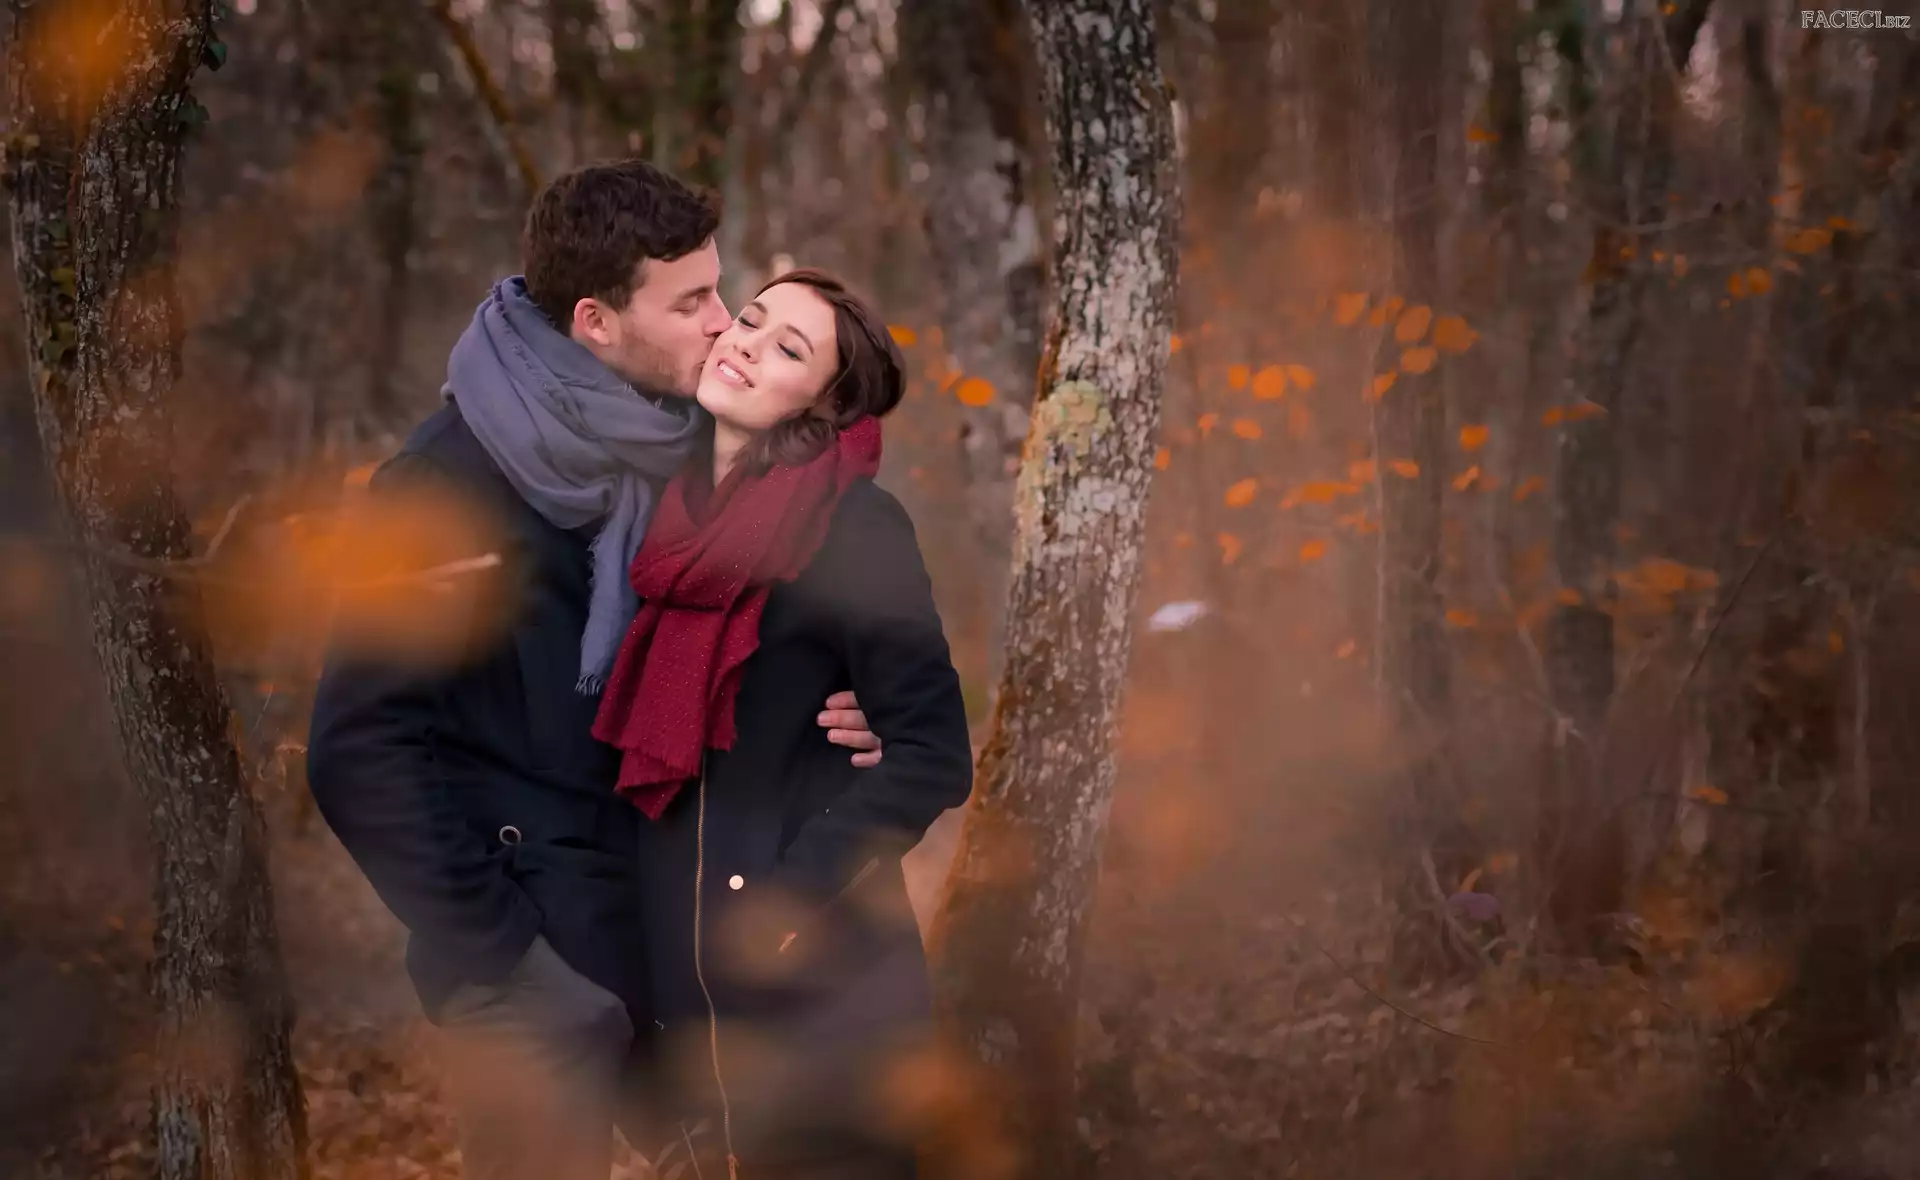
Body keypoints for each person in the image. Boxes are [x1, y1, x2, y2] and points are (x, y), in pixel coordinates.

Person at [305, 160, 887, 1180]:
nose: (722, 322)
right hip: (532, 959)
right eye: (691, 301)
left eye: (719, 288)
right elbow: (357, 747)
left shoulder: (686, 448)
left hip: (669, 933)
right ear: (596, 321)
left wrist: (845, 710)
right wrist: (505, 958)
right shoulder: (442, 487)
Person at [592, 268, 973, 1179]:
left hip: (822, 1003)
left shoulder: (854, 527)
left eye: (789, 349)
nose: (748, 345)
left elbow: (932, 753)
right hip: (680, 1004)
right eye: (752, 320)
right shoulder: (649, 518)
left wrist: (791, 897)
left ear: (826, 404)